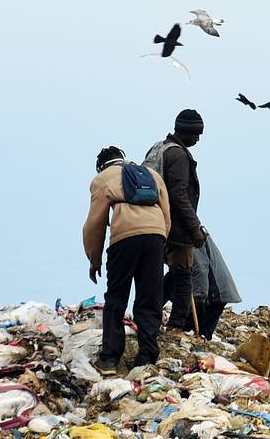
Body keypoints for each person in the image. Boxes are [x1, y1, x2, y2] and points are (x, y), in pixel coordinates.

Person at [82, 146, 171, 373]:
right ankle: (147, 356)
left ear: (101, 165)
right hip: (155, 235)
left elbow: (95, 223)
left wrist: (94, 258)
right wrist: (161, 242)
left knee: (116, 296)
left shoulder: (102, 179)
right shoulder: (150, 174)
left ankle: (110, 359)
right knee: (149, 298)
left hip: (125, 238)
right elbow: (166, 213)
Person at [144, 108, 206, 332]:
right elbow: (178, 195)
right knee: (183, 278)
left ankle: (147, 315)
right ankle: (176, 326)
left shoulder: (159, 147)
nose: (198, 139)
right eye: (196, 134)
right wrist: (194, 228)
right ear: (186, 132)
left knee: (171, 274)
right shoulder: (179, 155)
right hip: (177, 229)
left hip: (155, 222)